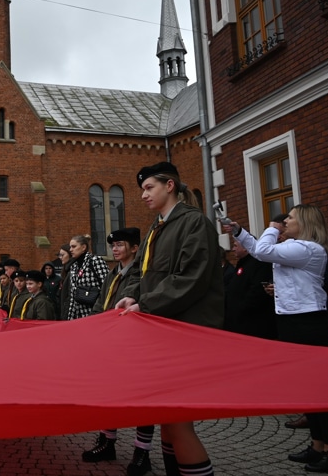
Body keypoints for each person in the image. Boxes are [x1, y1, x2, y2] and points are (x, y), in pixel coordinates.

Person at [115, 162, 223, 476]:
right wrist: (132, 294)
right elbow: (140, 271)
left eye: (149, 188)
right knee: (167, 416)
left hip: (185, 334)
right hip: (160, 332)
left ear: (170, 185)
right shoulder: (155, 228)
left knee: (178, 421)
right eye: (142, 190)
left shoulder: (194, 223)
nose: (143, 195)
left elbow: (191, 278)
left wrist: (145, 304)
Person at [231, 204, 328, 473]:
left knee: (320, 390)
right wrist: (239, 231)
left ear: (304, 222)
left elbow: (263, 251)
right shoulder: (298, 249)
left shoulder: (308, 248)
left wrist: (271, 228)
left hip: (308, 323)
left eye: (290, 218)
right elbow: (263, 253)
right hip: (294, 320)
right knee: (308, 389)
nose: (285, 222)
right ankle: (318, 444)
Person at [86, 227, 154, 476]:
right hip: (109, 342)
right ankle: (106, 442)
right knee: (107, 393)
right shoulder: (113, 274)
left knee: (142, 400)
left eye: (120, 245)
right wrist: (94, 327)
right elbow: (99, 304)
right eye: (112, 246)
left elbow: (128, 302)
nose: (114, 249)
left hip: (132, 344)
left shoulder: (139, 273)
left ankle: (141, 452)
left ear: (135, 248)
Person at [224, 237, 276, 339]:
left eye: (235, 246)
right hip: (238, 320)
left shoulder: (259, 263)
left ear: (246, 248)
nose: (233, 249)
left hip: (253, 322)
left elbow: (257, 291)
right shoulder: (241, 263)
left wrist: (241, 308)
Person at [61, 234, 109, 320]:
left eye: (74, 246)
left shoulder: (95, 261)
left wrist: (99, 309)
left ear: (83, 247)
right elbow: (72, 294)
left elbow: (107, 286)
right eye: (70, 247)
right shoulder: (74, 266)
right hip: (76, 316)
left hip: (94, 313)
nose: (70, 250)